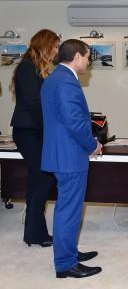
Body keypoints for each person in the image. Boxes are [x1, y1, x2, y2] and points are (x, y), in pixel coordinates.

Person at [41, 39, 102, 278]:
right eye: (87, 57)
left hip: (61, 154)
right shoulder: (66, 81)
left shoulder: (53, 78)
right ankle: (66, 264)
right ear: (77, 57)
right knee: (69, 210)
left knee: (66, 208)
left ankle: (69, 252)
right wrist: (93, 145)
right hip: (70, 156)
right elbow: (75, 122)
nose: (88, 62)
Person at [10, 29, 59, 247]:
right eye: (55, 46)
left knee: (37, 180)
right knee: (44, 178)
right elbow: (33, 103)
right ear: (45, 45)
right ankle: (36, 233)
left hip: (36, 131)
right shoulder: (27, 67)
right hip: (28, 131)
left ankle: (33, 233)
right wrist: (54, 124)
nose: (57, 51)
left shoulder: (36, 66)